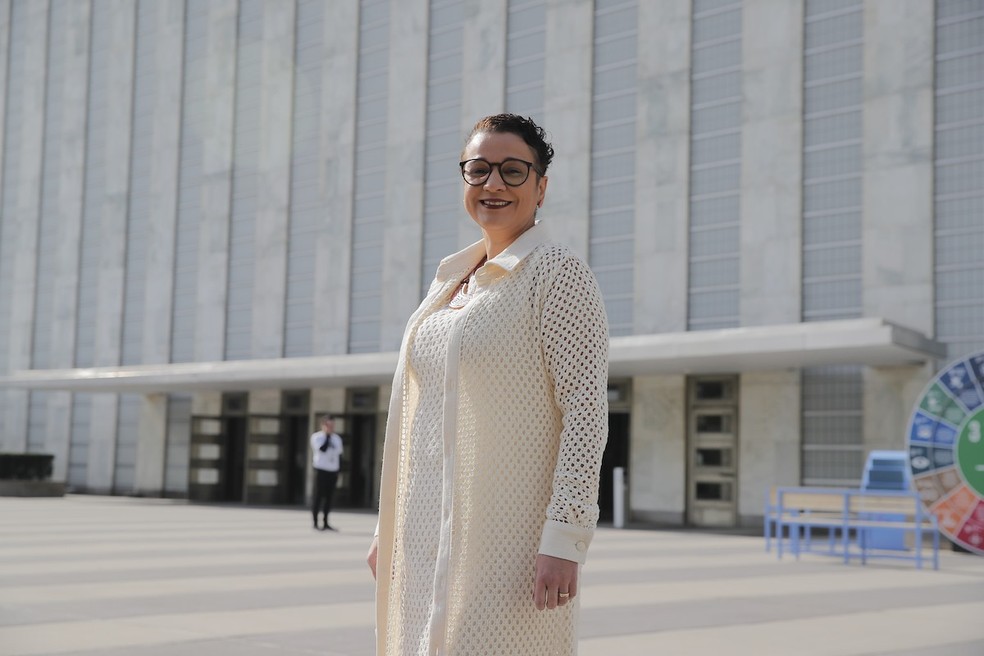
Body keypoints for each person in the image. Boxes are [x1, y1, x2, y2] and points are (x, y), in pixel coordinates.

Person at [367, 114, 609, 655]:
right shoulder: (449, 282)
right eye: (478, 170)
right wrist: (391, 528)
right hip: (424, 539)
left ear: (541, 186)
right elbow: (420, 418)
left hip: (509, 547)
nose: (493, 184)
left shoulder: (558, 273)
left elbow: (585, 412)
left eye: (512, 171)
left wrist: (566, 539)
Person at [311, 415, 343, 531]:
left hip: (332, 471)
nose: (331, 428)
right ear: (323, 425)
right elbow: (322, 449)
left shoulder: (337, 439)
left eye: (332, 425)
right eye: (328, 425)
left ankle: (325, 522)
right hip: (321, 470)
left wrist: (338, 471)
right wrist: (327, 437)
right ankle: (315, 522)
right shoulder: (317, 437)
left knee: (329, 497)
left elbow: (339, 455)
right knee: (318, 496)